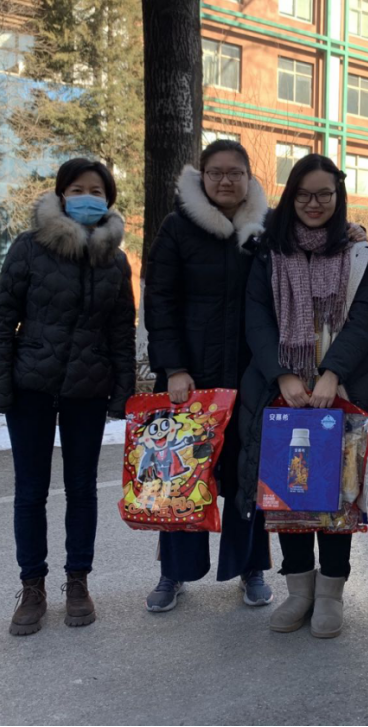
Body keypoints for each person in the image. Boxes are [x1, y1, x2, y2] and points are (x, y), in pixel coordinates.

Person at [0, 158, 136, 636]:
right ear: (61, 195)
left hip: (87, 390)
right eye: (77, 189)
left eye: (96, 190)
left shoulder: (114, 260)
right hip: (31, 386)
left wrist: (123, 393)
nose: (87, 197)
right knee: (30, 491)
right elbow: (1, 319)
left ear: (108, 200)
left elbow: (122, 333)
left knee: (82, 489)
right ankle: (32, 586)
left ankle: (78, 581)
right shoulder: (29, 247)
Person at [237, 154, 368, 639]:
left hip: (342, 390)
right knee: (289, 494)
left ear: (339, 196)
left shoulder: (359, 254)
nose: (313, 203)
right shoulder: (268, 252)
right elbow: (256, 318)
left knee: (337, 493)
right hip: (281, 394)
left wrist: (331, 373)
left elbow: (364, 320)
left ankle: (331, 593)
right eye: (303, 194)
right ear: (290, 196)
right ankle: (298, 590)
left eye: (324, 194)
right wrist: (282, 375)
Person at [142, 140, 274, 612]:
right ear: (202, 177)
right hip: (190, 379)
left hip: (250, 376)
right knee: (181, 476)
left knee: (247, 474)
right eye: (215, 172)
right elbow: (160, 301)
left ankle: (251, 567)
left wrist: (354, 232)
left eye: (235, 172)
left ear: (249, 177)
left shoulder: (266, 227)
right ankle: (173, 572)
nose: (225, 180)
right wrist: (173, 368)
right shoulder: (178, 227)